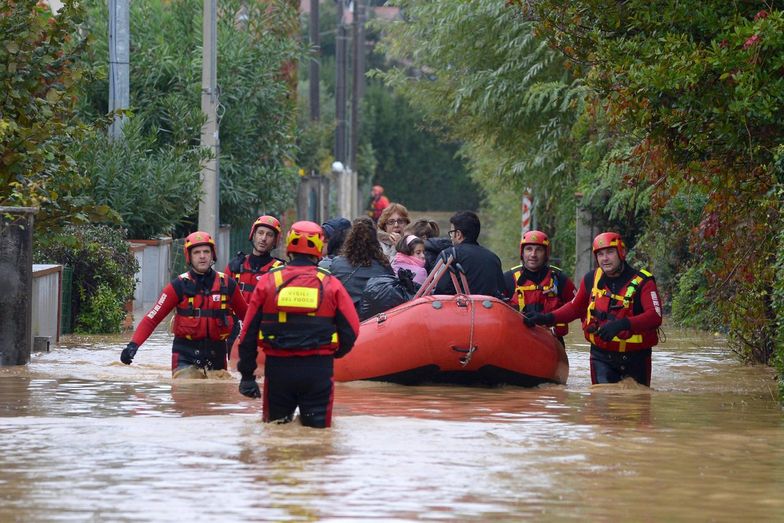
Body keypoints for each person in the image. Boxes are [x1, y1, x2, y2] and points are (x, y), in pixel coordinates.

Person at [236, 221, 359, 428]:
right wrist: (334, 354)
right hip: (318, 371)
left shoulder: (268, 282)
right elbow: (351, 330)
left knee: (275, 433)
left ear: (289, 245)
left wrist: (247, 376)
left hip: (278, 371)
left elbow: (247, 333)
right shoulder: (331, 284)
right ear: (319, 247)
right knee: (317, 437)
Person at [524, 232, 662, 386]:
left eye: (610, 252)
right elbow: (574, 308)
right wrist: (546, 318)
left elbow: (655, 316)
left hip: (637, 358)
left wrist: (622, 324)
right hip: (601, 357)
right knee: (600, 404)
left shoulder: (644, 282)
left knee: (638, 404)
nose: (605, 258)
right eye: (600, 254)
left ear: (621, 253)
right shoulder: (591, 279)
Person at [120, 231, 248, 377]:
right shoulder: (178, 286)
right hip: (184, 356)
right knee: (187, 388)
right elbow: (152, 318)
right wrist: (133, 345)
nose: (202, 256)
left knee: (219, 393)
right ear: (189, 256)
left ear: (212, 255)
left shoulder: (228, 285)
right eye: (197, 252)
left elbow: (249, 318)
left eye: (206, 251)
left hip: (217, 356)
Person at [504, 230, 576, 344]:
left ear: (546, 253)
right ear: (522, 253)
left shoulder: (559, 279)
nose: (533, 254)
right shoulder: (508, 279)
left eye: (539, 250)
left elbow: (578, 307)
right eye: (529, 249)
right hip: (519, 343)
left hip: (552, 343)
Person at [433, 211, 506, 297]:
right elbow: (501, 289)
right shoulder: (494, 258)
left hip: (457, 309)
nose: (451, 237)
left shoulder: (448, 255)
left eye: (451, 233)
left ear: (458, 234)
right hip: (488, 309)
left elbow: (439, 289)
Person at [329, 217, 395, 309]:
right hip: (372, 319)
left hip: (344, 316)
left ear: (350, 238)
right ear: (375, 240)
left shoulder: (336, 264)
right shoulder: (383, 267)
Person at [225, 215, 285, 303]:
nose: (264, 238)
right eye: (260, 233)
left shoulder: (280, 271)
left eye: (269, 235)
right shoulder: (235, 266)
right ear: (253, 235)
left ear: (275, 240)